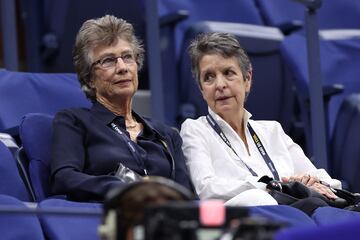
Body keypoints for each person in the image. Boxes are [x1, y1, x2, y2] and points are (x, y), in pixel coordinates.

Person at [180, 32, 341, 206]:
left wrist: (310, 182)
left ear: (247, 79)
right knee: (259, 198)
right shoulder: (194, 129)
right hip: (244, 221)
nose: (220, 85)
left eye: (228, 73)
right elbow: (206, 188)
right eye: (209, 77)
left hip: (296, 213)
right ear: (201, 89)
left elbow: (330, 182)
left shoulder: (272, 130)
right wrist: (270, 185)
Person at [50, 15, 192, 202]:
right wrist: (129, 189)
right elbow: (64, 178)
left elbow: (187, 198)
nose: (122, 67)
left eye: (127, 57)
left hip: (166, 224)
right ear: (90, 78)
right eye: (108, 60)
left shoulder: (166, 134)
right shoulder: (74, 121)